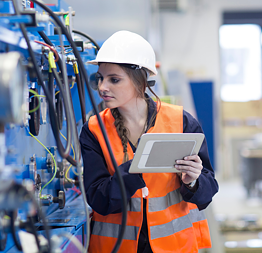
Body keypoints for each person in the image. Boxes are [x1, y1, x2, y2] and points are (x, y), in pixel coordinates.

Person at [80, 30, 219, 253]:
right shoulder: (94, 130)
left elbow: (208, 191)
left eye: (114, 79)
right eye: (100, 78)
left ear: (141, 82)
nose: (103, 87)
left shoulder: (181, 121)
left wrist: (193, 181)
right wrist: (133, 172)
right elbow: (98, 199)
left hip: (174, 247)